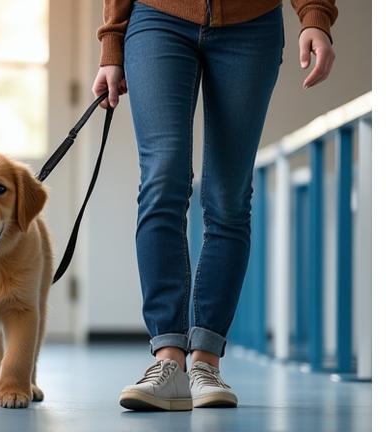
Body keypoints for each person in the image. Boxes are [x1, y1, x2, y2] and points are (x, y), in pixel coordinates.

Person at [92, 0, 337, 411]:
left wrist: (315, 14)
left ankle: (205, 360)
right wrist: (112, 42)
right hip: (158, 17)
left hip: (251, 23)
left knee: (228, 197)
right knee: (162, 178)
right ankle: (167, 358)